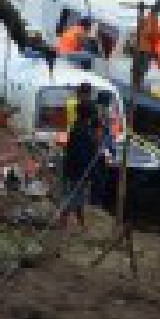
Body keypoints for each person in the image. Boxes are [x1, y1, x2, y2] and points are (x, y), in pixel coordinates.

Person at [58, 82, 102, 230]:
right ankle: (68, 221)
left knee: (73, 194)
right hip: (78, 168)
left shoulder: (78, 127)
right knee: (75, 194)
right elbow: (88, 150)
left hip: (72, 166)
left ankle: (76, 221)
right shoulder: (84, 131)